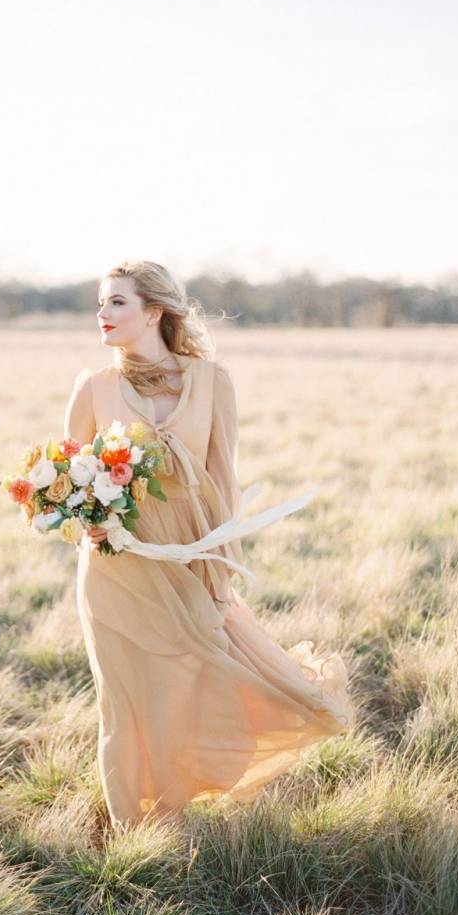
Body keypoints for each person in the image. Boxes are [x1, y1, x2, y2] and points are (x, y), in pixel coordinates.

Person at [63, 260, 355, 829]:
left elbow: (223, 479)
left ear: (154, 311)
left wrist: (221, 566)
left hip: (191, 559)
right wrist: (88, 524)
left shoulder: (212, 380)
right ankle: (135, 831)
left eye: (116, 302)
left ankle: (175, 803)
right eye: (100, 303)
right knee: (123, 701)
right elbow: (67, 478)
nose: (102, 314)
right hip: (117, 566)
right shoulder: (93, 388)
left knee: (185, 685)